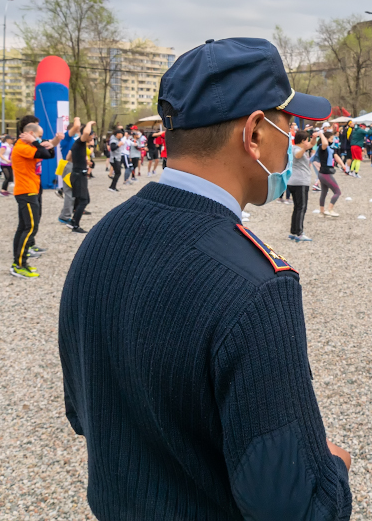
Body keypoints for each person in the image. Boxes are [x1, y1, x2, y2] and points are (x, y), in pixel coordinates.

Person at [59, 37, 351, 519]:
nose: (294, 136)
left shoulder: (100, 239)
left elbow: (82, 410)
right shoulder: (258, 283)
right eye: (289, 122)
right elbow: (290, 507)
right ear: (255, 133)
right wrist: (333, 472)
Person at [11, 120, 62, 278]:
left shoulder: (30, 146)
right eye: (39, 136)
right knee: (31, 227)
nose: (41, 139)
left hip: (30, 189)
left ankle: (18, 262)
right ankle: (20, 264)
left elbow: (49, 154)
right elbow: (44, 153)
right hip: (26, 191)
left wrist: (48, 143)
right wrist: (37, 143)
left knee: (24, 227)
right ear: (31, 135)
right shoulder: (22, 146)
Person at [67, 120, 96, 233]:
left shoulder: (79, 145)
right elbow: (86, 132)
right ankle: (74, 224)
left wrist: (82, 162)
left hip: (79, 174)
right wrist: (89, 123)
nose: (92, 139)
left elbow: (68, 157)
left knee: (84, 199)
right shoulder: (80, 142)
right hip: (79, 175)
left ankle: (74, 220)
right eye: (92, 137)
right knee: (84, 200)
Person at [287, 129, 317, 241]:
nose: (308, 142)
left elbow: (312, 144)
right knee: (301, 208)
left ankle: (294, 231)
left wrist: (314, 138)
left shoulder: (295, 147)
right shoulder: (296, 149)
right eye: (307, 140)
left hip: (294, 181)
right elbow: (298, 155)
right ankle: (299, 233)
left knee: (297, 207)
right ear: (303, 140)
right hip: (300, 182)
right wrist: (304, 148)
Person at [314, 130, 342, 217]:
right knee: (337, 192)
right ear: (326, 139)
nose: (332, 141)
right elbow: (325, 143)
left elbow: (336, 156)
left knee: (324, 192)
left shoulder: (330, 149)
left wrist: (343, 165)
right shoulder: (323, 147)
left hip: (323, 173)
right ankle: (330, 210)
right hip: (325, 174)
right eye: (331, 139)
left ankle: (322, 212)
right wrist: (321, 134)